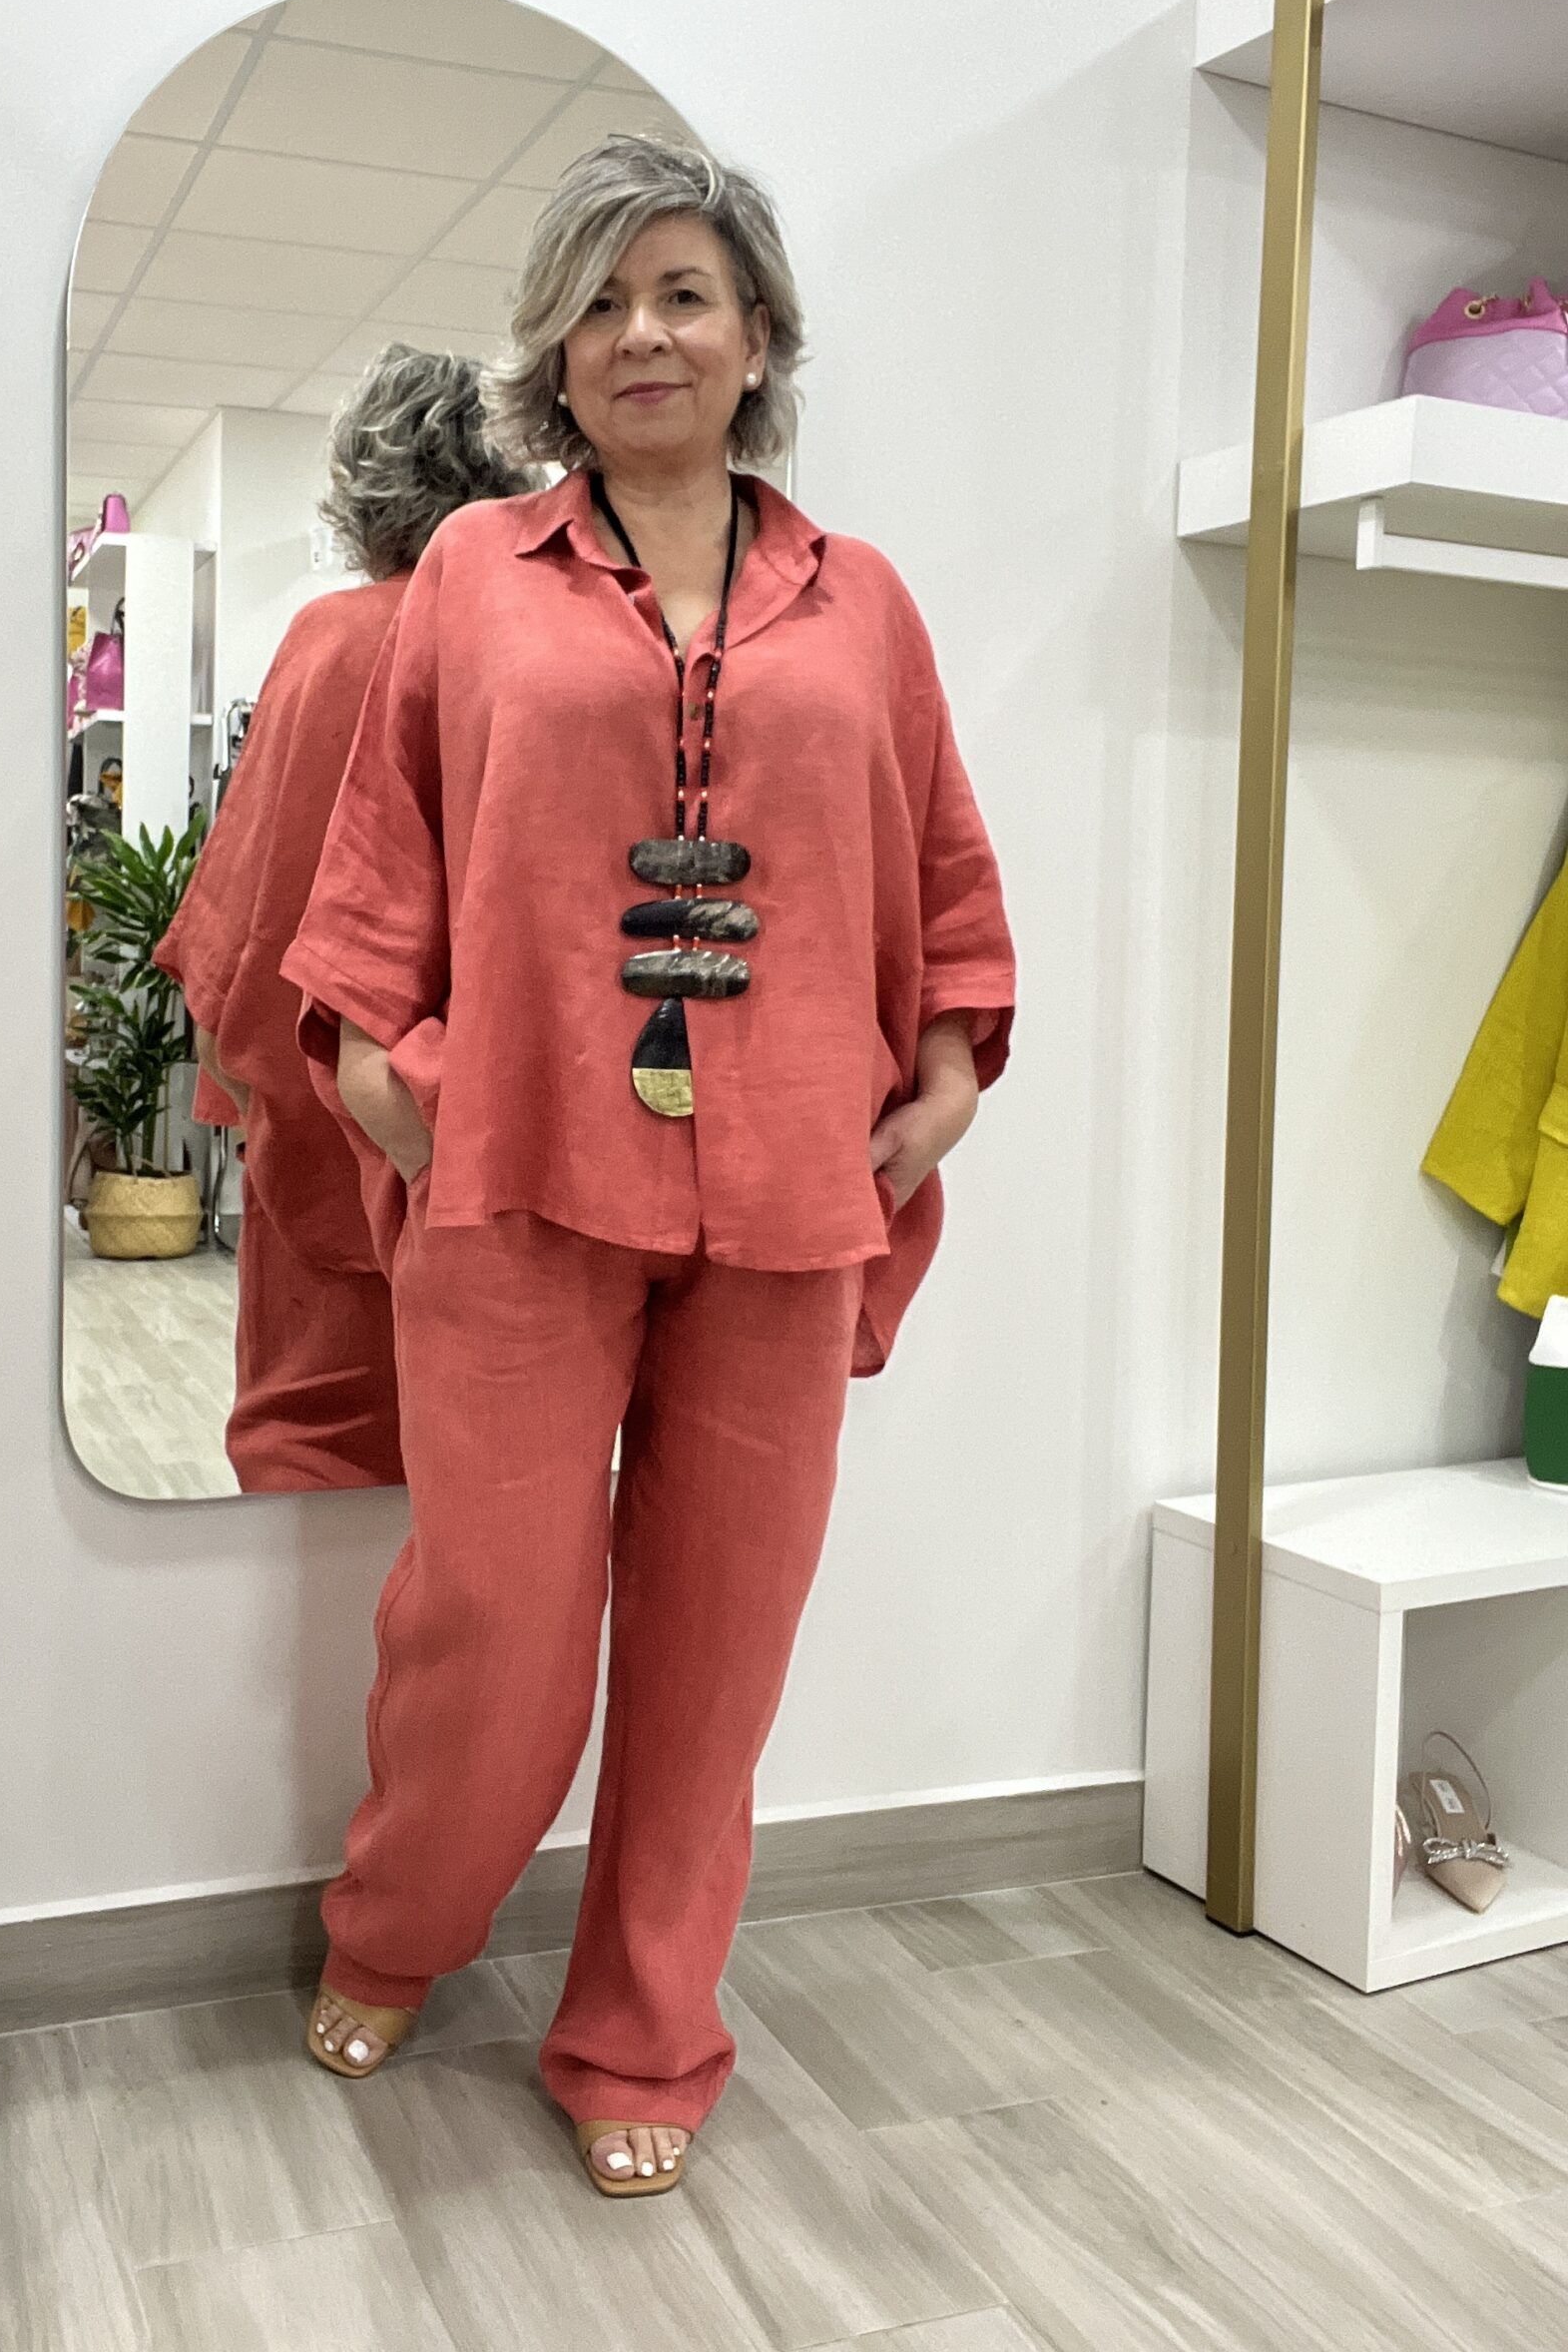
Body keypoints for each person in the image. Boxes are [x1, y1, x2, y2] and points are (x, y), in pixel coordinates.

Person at [282, 135, 1017, 2194]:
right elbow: (382, 861)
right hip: (517, 1180)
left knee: (715, 1658)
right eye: (599, 300)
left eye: (683, 292)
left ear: (758, 332)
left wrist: (947, 1071)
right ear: (553, 346)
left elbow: (940, 859)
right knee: (496, 1626)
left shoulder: (863, 601)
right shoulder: (471, 574)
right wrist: (392, 1081)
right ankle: (395, 1927)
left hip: (788, 1193)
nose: (641, 334)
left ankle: (645, 2033)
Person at [153, 344, 533, 1490]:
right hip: (496, 1169)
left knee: (312, 1485)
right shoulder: (543, 650)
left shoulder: (334, 643)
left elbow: (239, 953)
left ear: (361, 488)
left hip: (326, 1161)